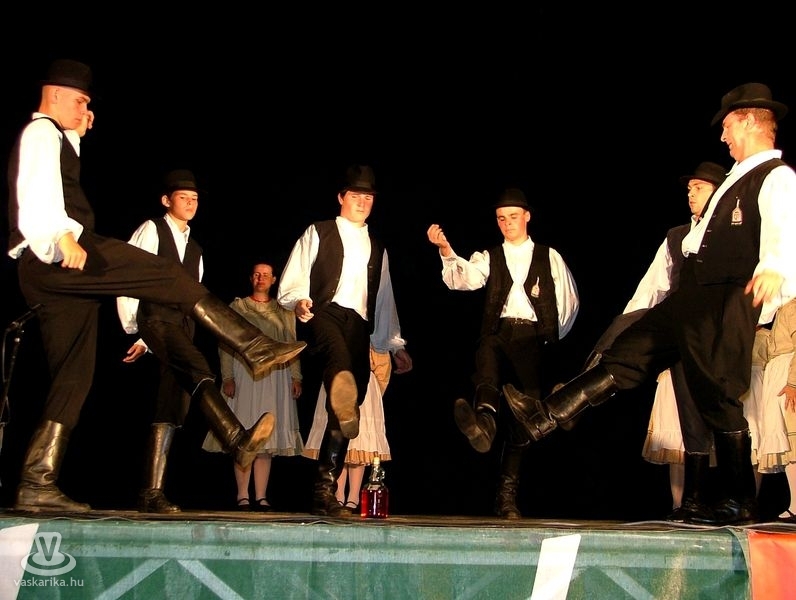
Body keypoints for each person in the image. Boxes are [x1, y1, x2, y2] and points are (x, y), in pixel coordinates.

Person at [6, 58, 305, 513]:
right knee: (167, 275)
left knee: (74, 375)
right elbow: (35, 191)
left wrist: (77, 135)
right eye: (81, 101)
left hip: (56, 274)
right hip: (57, 254)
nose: (87, 110)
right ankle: (255, 346)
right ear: (56, 94)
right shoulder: (41, 131)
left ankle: (36, 481)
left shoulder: (60, 137)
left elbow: (59, 178)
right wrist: (61, 236)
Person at [503, 82, 796, 526]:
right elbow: (697, 241)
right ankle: (543, 417)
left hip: (726, 298)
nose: (723, 136)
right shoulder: (735, 177)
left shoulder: (775, 175)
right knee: (629, 351)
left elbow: (784, 226)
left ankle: (741, 498)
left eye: (728, 126)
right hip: (693, 295)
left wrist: (773, 268)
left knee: (716, 395)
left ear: (751, 121)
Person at [116, 171, 288, 513]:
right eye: (183, 197)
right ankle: (236, 438)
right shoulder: (152, 229)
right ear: (166, 200)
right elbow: (127, 274)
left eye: (194, 199)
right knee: (200, 370)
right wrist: (135, 327)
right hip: (155, 317)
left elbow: (192, 299)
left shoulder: (195, 249)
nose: (191, 203)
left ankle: (151, 493)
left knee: (171, 406)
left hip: (181, 326)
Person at [427, 187, 579, 519]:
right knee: (487, 349)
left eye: (513, 217)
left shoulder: (549, 256)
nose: (507, 223)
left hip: (533, 338)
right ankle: (484, 422)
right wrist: (446, 250)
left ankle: (506, 497)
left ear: (527, 217)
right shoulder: (490, 256)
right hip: (501, 331)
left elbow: (569, 300)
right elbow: (465, 279)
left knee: (524, 420)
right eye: (501, 218)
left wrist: (551, 336)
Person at [277, 164, 410, 517]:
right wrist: (298, 300)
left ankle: (324, 490)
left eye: (368, 197)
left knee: (350, 404)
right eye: (355, 196)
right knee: (339, 366)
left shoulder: (377, 247)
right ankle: (340, 398)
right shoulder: (319, 231)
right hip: (325, 313)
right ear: (341, 197)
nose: (362, 202)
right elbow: (295, 274)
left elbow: (383, 298)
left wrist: (393, 345)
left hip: (359, 324)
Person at [622, 161, 726, 520]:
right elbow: (653, 286)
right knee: (688, 416)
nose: (690, 193)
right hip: (681, 332)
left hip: (717, 336)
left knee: (723, 416)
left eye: (699, 187)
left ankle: (735, 500)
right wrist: (627, 324)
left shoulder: (731, 232)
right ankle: (691, 501)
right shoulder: (677, 236)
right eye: (689, 188)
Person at [201, 260, 304, 511]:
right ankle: (242, 495)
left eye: (266, 274)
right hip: (245, 374)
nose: (261, 278)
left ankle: (261, 495)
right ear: (251, 278)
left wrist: (296, 377)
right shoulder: (238, 307)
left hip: (275, 377)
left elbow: (291, 345)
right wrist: (227, 376)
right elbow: (225, 342)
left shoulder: (284, 312)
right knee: (245, 437)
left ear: (274, 280)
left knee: (267, 440)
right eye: (257, 274)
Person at [303, 291, 412, 514]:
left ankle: (352, 498)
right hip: (337, 378)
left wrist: (396, 347)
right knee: (338, 425)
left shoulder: (366, 323)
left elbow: (385, 308)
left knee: (360, 441)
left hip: (364, 382)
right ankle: (333, 493)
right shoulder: (333, 317)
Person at [744, 300, 796, 522]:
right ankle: (793, 504)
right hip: (777, 375)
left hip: (786, 372)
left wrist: (793, 382)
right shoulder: (783, 309)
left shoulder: (792, 307)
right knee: (787, 446)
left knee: (792, 442)